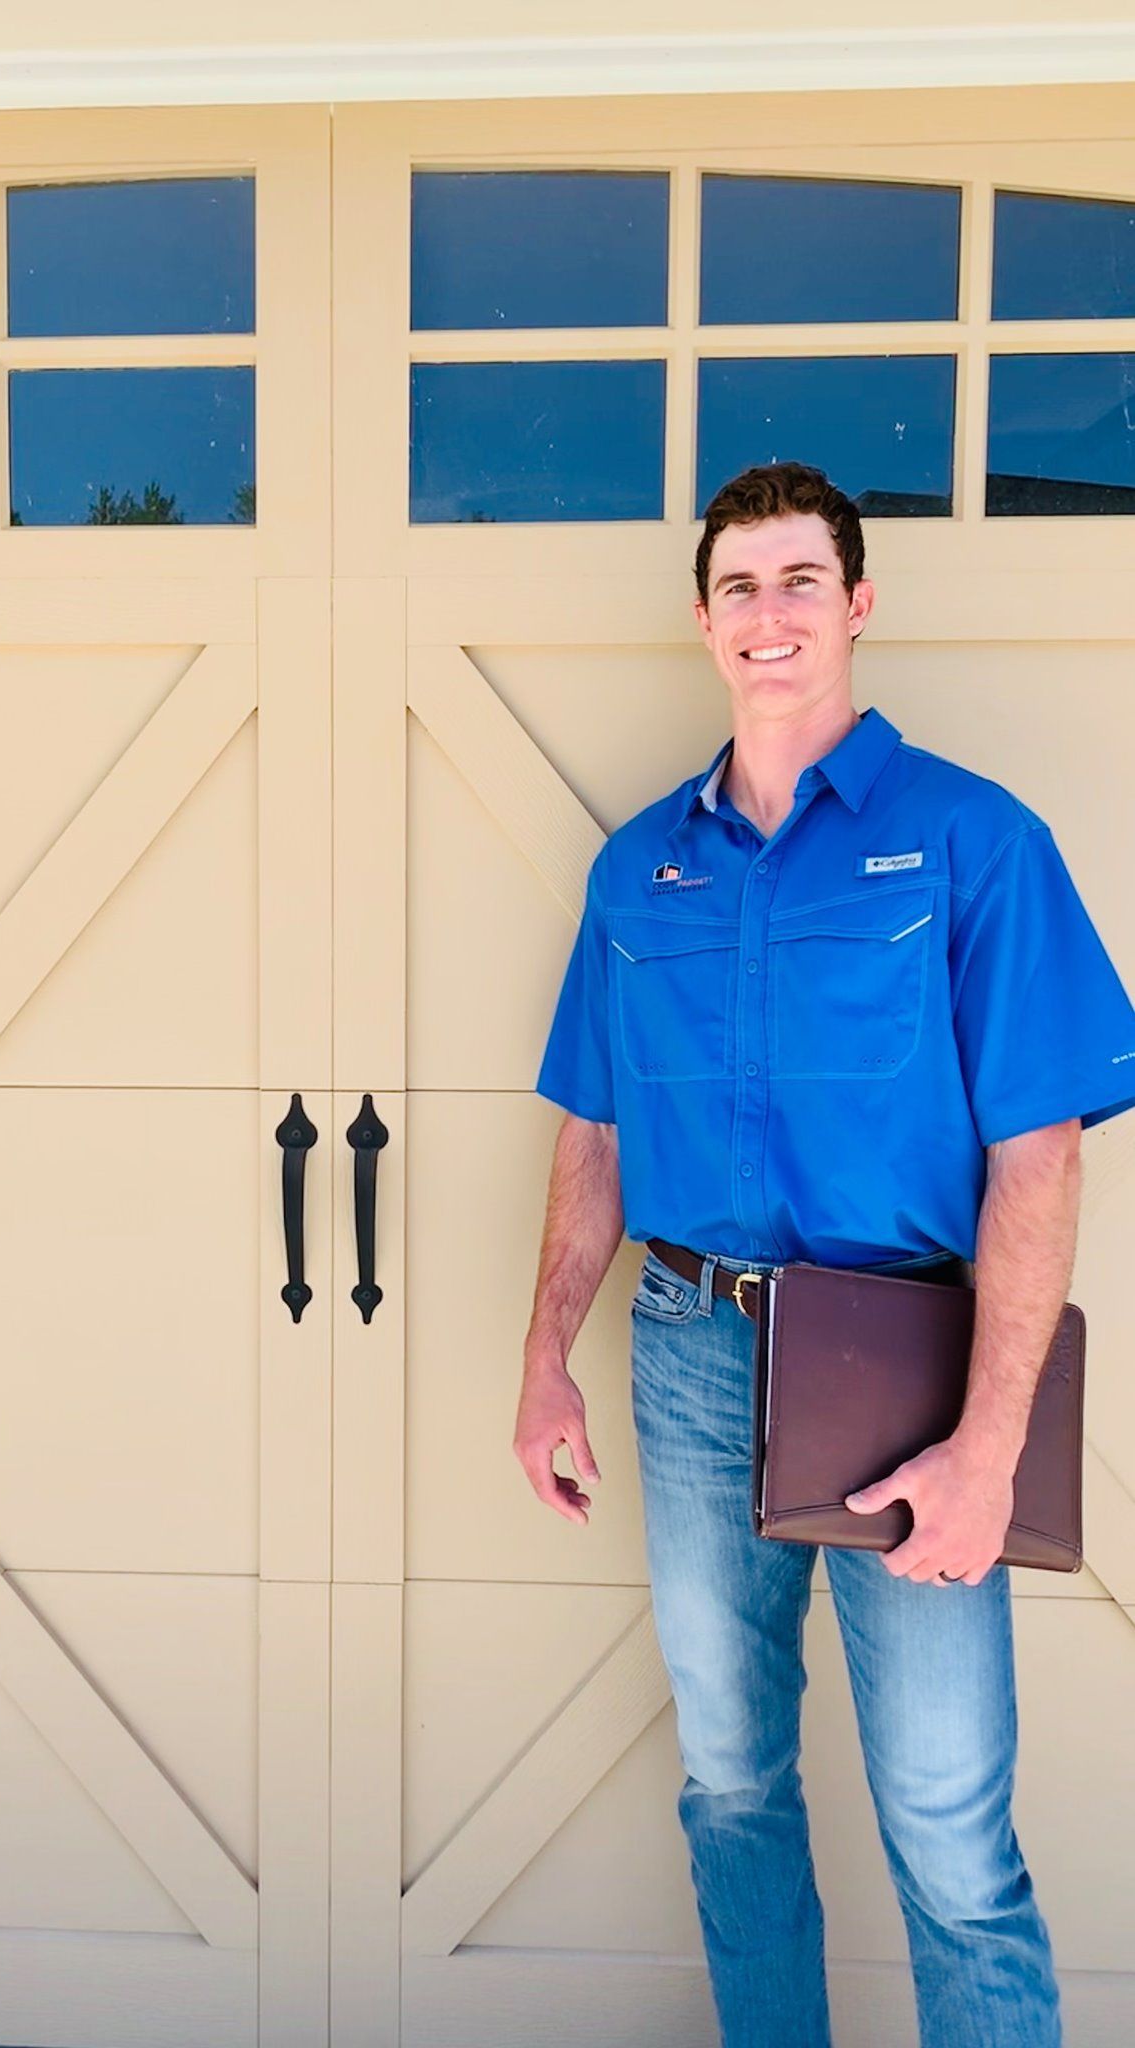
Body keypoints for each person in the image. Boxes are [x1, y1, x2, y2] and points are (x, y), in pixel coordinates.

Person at [513, 459, 1135, 2048]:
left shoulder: (971, 844)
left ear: (857, 606)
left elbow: (1039, 1155)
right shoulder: (637, 867)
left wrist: (988, 1447)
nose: (768, 615)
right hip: (688, 1348)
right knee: (729, 1781)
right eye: (739, 587)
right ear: (703, 622)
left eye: (800, 581)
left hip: (901, 1366)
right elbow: (590, 1132)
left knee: (942, 1820)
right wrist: (541, 1364)